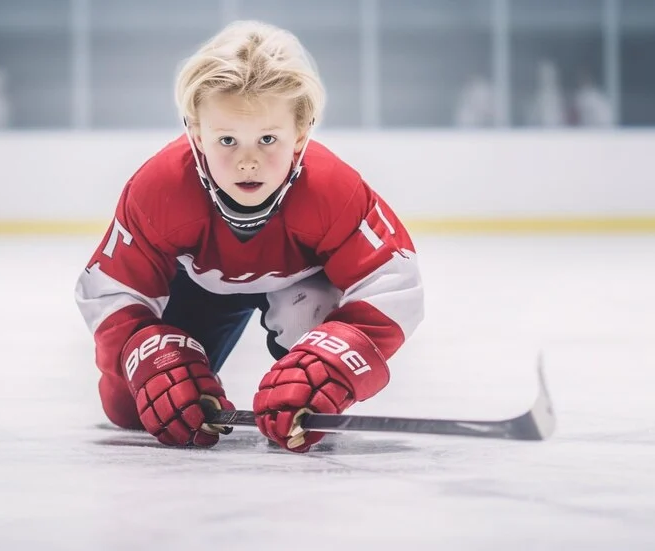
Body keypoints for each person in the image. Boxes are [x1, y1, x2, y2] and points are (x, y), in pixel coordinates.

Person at [75, 21, 424, 453]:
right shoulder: (158, 190)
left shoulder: (334, 190)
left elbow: (392, 283)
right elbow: (112, 288)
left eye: (267, 139)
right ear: (197, 135)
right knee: (135, 406)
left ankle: (304, 383)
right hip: (200, 290)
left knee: (312, 344)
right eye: (227, 140)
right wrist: (148, 352)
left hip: (303, 290)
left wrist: (330, 365)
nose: (247, 161)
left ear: (300, 134)